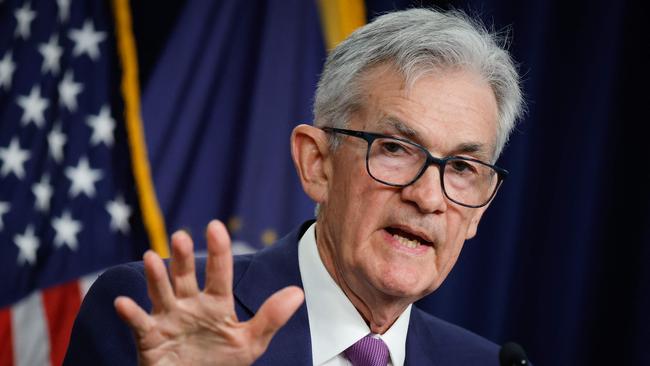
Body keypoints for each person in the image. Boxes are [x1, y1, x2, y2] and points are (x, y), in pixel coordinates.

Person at [64, 8, 524, 366]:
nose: (427, 198)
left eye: (462, 167)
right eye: (395, 148)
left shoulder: (485, 362)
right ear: (317, 163)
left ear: (479, 212)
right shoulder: (153, 312)